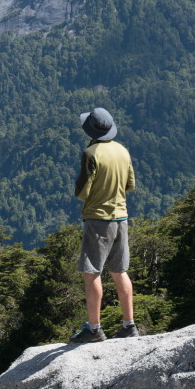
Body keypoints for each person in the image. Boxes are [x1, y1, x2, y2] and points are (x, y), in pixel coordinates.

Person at [69, 107, 140, 343]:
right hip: (121, 218)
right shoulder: (122, 151)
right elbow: (130, 185)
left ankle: (94, 329)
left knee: (92, 273)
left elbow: (82, 193)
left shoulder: (90, 153)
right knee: (120, 271)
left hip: (98, 220)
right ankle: (129, 326)